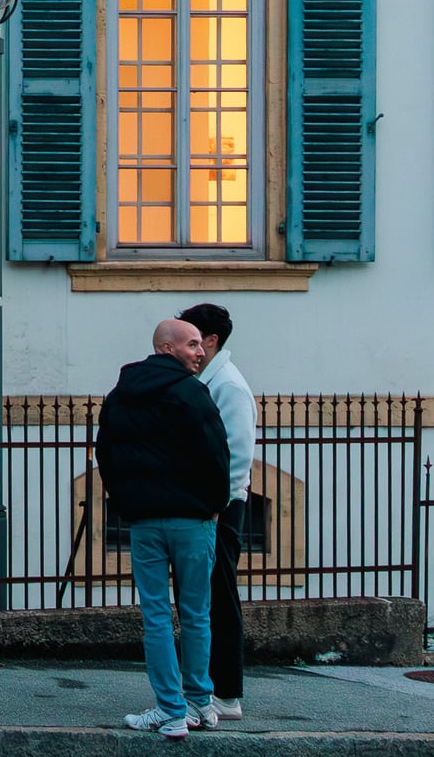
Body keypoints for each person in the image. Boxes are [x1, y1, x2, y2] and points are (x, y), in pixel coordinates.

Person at [95, 318, 230, 740]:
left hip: (146, 521)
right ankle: (198, 703)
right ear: (167, 348)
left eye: (200, 344)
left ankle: (171, 710)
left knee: (156, 616)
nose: (200, 352)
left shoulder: (121, 395)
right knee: (196, 614)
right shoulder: (192, 392)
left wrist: (127, 504)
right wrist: (214, 506)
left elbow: (106, 455)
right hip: (193, 520)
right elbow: (216, 454)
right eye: (192, 344)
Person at [179, 301, 254, 723]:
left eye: (192, 338)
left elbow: (238, 456)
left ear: (210, 341)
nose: (187, 346)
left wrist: (213, 507)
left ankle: (226, 692)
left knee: (219, 597)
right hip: (210, 505)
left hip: (220, 508)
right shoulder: (210, 380)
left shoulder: (228, 385)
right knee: (206, 597)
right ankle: (211, 688)